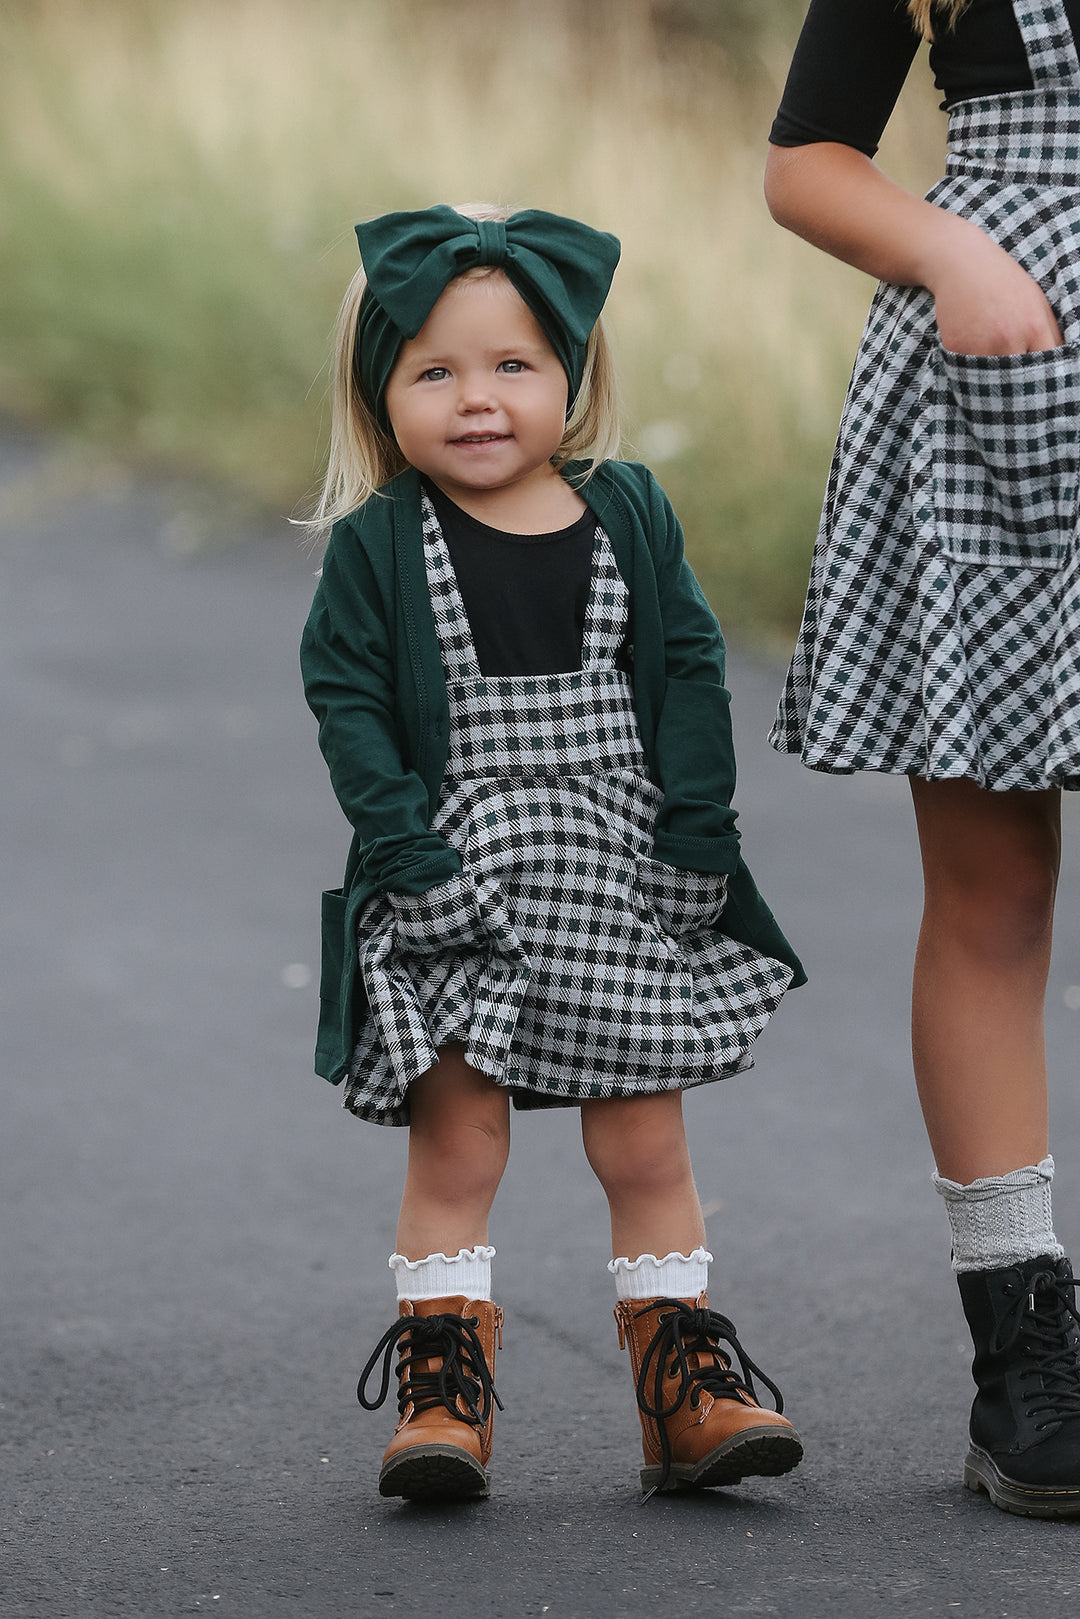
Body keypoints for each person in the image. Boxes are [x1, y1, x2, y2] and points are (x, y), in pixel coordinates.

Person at [300, 201, 806, 1504]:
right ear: (383, 396)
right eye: (436, 372)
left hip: (621, 873)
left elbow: (688, 669)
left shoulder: (626, 513)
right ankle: (440, 1387)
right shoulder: (378, 549)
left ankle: (681, 1384)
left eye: (512, 365)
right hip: (457, 887)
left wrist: (699, 827)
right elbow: (348, 701)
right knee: (458, 1144)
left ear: (573, 376)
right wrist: (403, 855)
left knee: (645, 1145)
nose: (477, 399)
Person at [765, 0, 1080, 1518]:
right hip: (996, 374)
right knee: (994, 890)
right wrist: (954, 251)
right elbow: (807, 162)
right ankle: (1022, 1344)